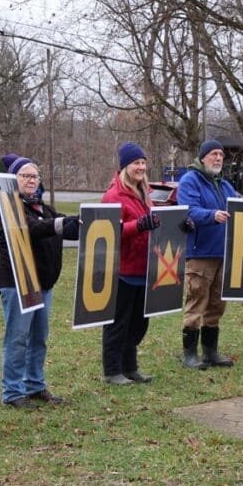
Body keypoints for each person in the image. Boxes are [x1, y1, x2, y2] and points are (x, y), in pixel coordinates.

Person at [0, 155, 79, 407]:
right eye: (25, 176)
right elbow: (31, 229)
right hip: (17, 282)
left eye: (34, 176)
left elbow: (67, 226)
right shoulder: (10, 207)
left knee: (39, 338)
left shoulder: (44, 208)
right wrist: (60, 223)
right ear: (14, 180)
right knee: (18, 337)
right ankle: (12, 392)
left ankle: (34, 385)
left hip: (43, 285)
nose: (31, 180)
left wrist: (94, 222)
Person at [177, 139, 240, 369]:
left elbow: (240, 205)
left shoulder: (223, 185)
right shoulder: (189, 181)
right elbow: (188, 211)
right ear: (202, 157)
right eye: (213, 154)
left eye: (221, 155)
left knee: (216, 304)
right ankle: (189, 355)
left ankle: (210, 352)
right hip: (200, 254)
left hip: (223, 253)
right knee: (197, 302)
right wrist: (212, 215)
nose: (218, 158)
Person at [100, 143, 158, 385]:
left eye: (143, 163)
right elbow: (107, 231)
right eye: (136, 163)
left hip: (143, 269)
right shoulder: (113, 196)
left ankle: (130, 366)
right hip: (122, 271)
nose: (141, 167)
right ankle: (113, 370)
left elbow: (154, 223)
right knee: (118, 323)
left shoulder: (145, 194)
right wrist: (139, 226)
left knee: (138, 323)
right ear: (125, 166)